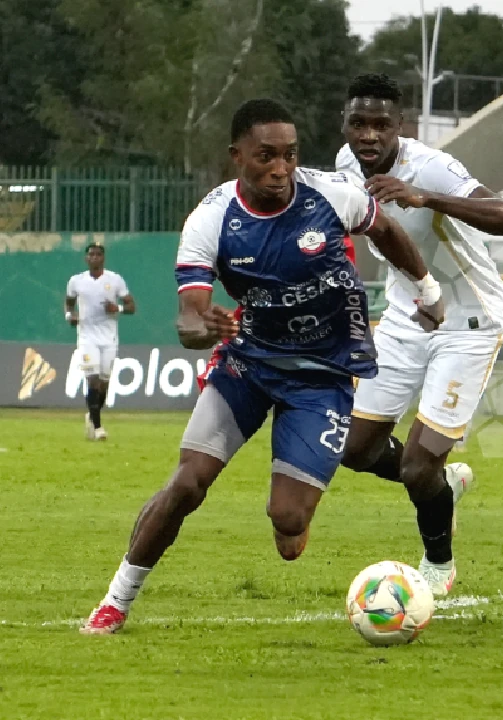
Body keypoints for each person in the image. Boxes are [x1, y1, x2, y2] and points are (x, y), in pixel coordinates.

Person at [81, 99, 441, 635]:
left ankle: (295, 501)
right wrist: (207, 328)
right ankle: (115, 602)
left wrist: (427, 289)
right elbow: (189, 319)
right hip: (247, 365)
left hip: (322, 376)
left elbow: (385, 229)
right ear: (237, 157)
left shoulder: (331, 195)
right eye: (266, 156)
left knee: (289, 528)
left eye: (290, 156)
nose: (281, 168)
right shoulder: (211, 220)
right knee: (187, 483)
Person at [335, 73, 503, 596]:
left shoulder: (431, 167)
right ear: (345, 125)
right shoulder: (345, 166)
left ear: (401, 127)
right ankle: (444, 485)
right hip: (406, 316)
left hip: (470, 323)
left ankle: (437, 565)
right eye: (359, 123)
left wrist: (425, 198)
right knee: (353, 451)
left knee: (418, 465)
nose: (369, 134)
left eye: (381, 125)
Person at [65, 244, 135, 440]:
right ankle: (97, 428)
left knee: (103, 384)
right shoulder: (76, 281)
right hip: (87, 337)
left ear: (103, 258)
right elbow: (69, 302)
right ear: (86, 259)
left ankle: (92, 415)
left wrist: (118, 308)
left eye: (98, 255)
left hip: (109, 338)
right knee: (93, 380)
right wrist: (69, 315)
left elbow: (131, 306)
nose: (94, 258)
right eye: (91, 255)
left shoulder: (114, 280)